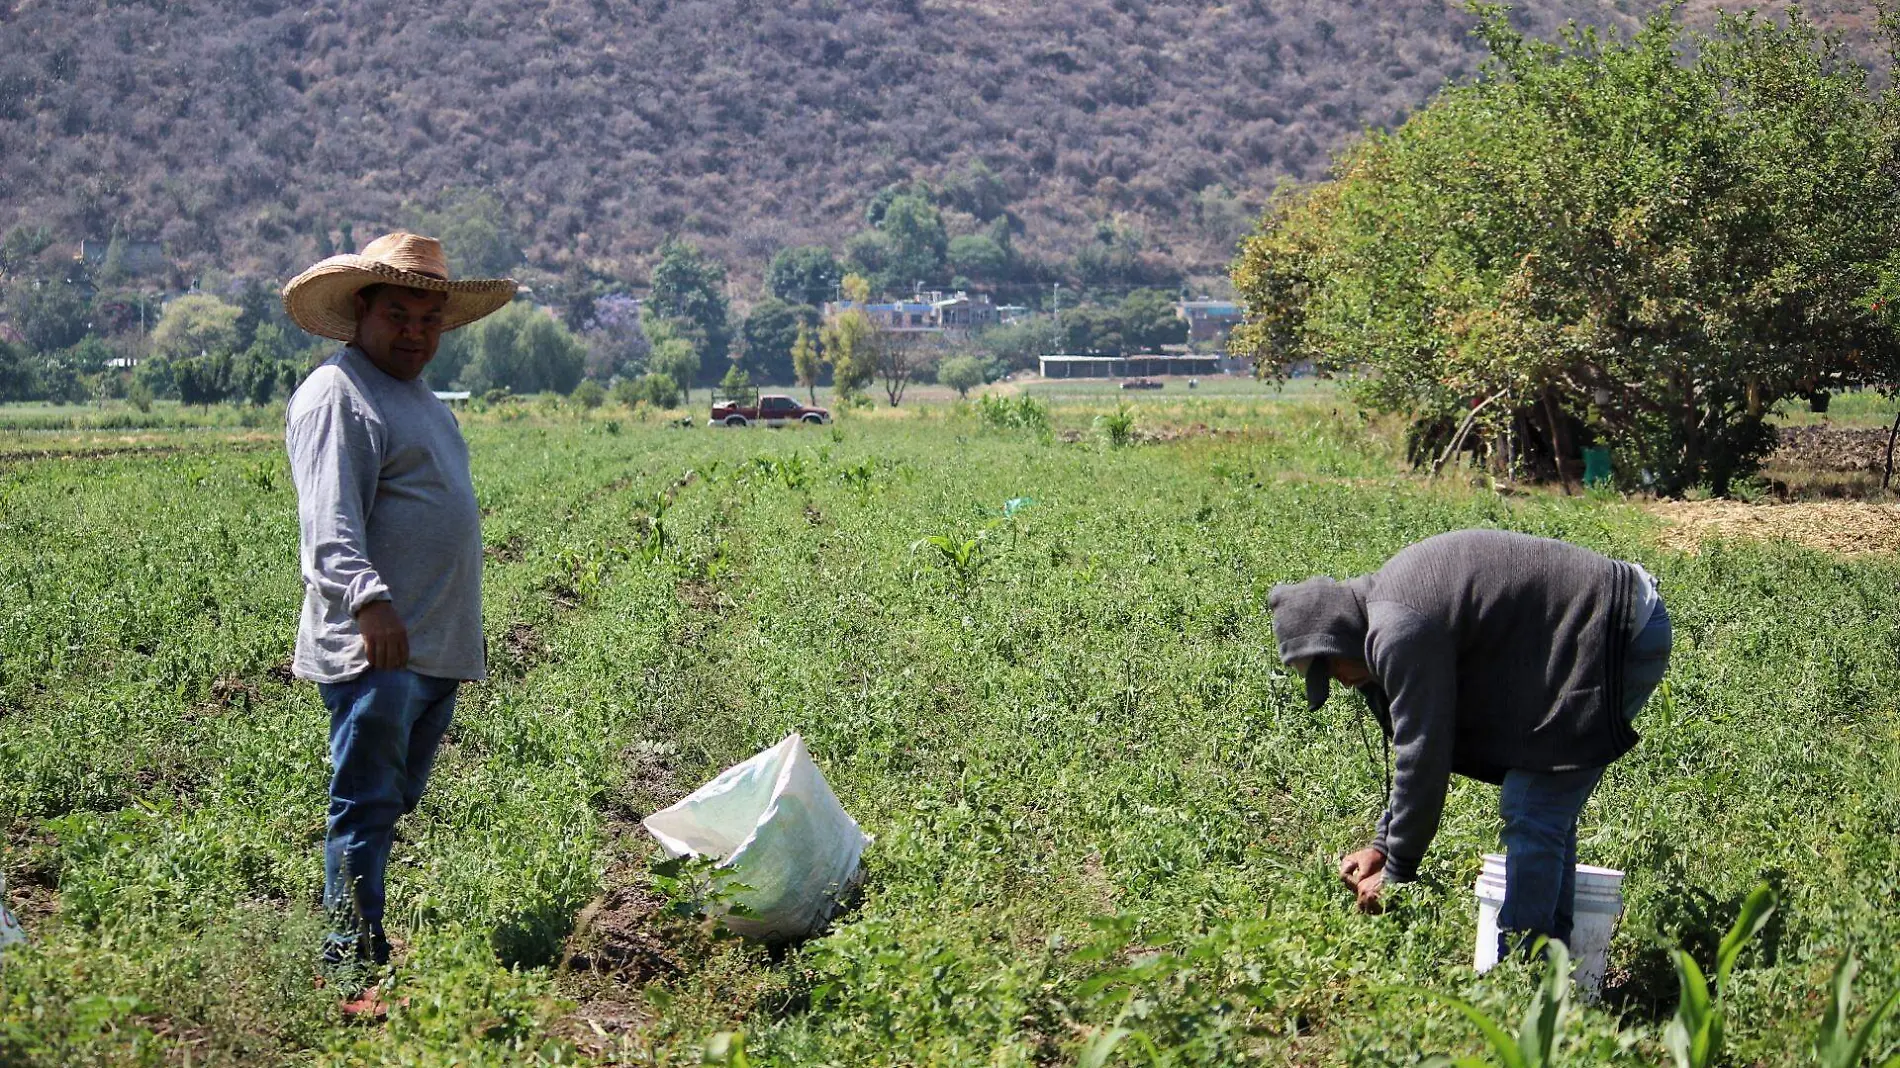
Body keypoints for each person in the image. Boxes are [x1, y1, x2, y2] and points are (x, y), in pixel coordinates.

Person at [280, 232, 515, 972]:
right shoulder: (336, 395)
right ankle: (348, 953)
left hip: (431, 648)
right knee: (367, 801)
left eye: (428, 320)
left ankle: (357, 922)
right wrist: (368, 601)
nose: (415, 332)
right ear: (362, 312)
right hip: (376, 646)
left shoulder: (420, 400)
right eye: (399, 316)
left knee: (389, 800)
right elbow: (329, 523)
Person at [1268, 529, 1671, 958]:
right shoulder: (1383, 614)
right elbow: (1415, 746)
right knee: (1543, 808)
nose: (1341, 681)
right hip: (1600, 626)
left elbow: (1423, 754)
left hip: (1615, 628)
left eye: (1331, 667)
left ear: (1340, 633)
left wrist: (1397, 868)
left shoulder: (1398, 628)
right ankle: (1552, 971)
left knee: (1533, 805)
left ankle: (1524, 974)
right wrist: (1384, 846)